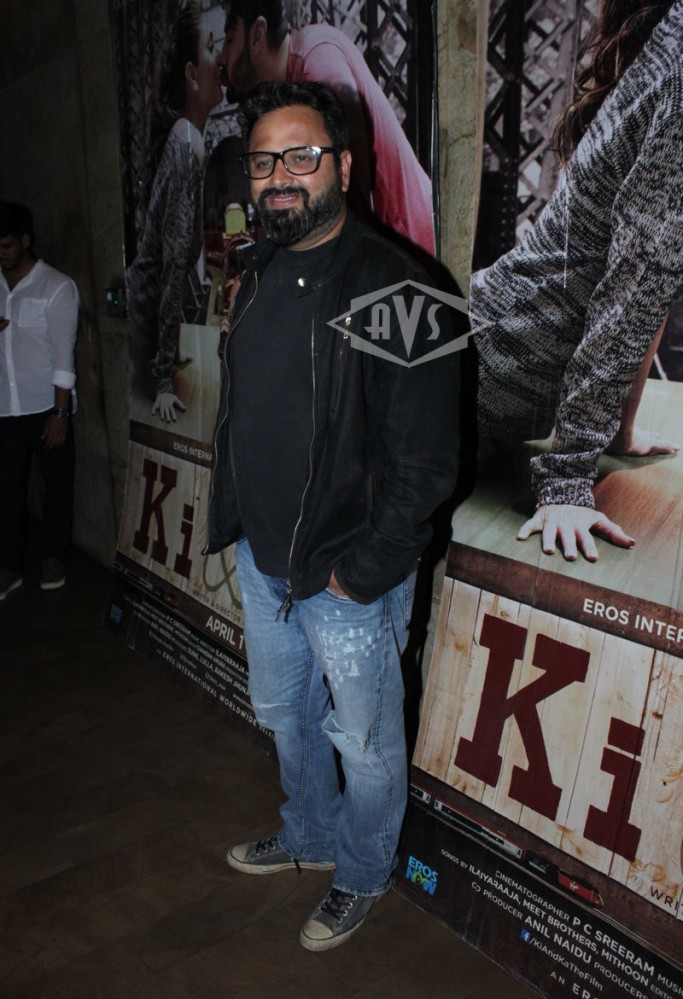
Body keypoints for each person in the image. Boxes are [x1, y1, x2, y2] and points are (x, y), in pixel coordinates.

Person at [206, 81, 460, 950]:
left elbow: (428, 463)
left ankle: (360, 871)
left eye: (302, 156)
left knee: (364, 742)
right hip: (263, 560)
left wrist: (362, 575)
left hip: (346, 572)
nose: (280, 176)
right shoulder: (258, 270)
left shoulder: (402, 285)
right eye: (264, 161)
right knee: (285, 717)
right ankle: (310, 834)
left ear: (343, 168)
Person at [470, 0, 683, 561]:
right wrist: (567, 475)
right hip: (478, 362)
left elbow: (651, 277)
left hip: (487, 340)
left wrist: (618, 428)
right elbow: (637, 281)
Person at [218, 0, 435, 257]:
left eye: (229, 39)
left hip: (408, 248)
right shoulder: (305, 62)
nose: (221, 57)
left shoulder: (318, 61)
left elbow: (349, 197)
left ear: (257, 36)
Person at [126, 2, 224, 423]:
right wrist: (164, 379)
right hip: (147, 332)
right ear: (191, 75)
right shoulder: (187, 145)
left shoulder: (186, 138)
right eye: (212, 47)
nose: (222, 57)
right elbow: (170, 272)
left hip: (152, 328)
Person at [0, 202, 79, 599]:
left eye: (6, 245)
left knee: (56, 486)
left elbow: (64, 356)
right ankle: (9, 566)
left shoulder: (56, 287)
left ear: (25, 240)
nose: (0, 254)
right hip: (4, 409)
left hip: (47, 407)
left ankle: (53, 558)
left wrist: (61, 412)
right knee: (5, 490)